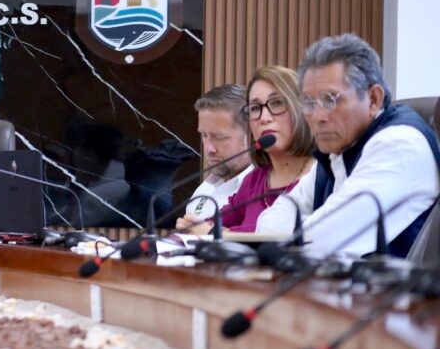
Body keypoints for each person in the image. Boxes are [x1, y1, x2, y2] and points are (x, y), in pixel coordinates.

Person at [259, 34, 439, 258]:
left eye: (331, 99)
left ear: (373, 99)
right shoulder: (337, 149)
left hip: (393, 282)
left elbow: (321, 243)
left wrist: (309, 227)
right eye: (309, 103)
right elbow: (268, 224)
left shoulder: (400, 145)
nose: (318, 116)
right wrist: (312, 226)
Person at [178, 66, 317, 234]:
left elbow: (287, 235)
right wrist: (191, 227)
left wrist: (215, 233)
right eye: (255, 108)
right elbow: (210, 223)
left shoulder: (322, 174)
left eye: (277, 103)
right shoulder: (255, 180)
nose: (264, 118)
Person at [177, 84, 254, 225]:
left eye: (219, 137)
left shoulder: (265, 189)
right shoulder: (204, 190)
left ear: (250, 134)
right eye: (204, 135)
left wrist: (206, 233)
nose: (208, 148)